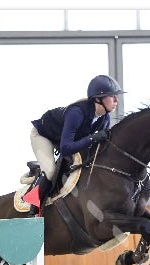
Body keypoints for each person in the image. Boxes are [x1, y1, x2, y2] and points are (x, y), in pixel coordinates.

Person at [23, 74, 124, 216]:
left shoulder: (104, 117)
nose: (116, 100)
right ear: (98, 99)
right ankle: (33, 207)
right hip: (43, 136)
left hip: (62, 137)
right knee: (51, 171)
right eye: (112, 96)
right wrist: (91, 138)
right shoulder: (76, 113)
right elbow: (65, 148)